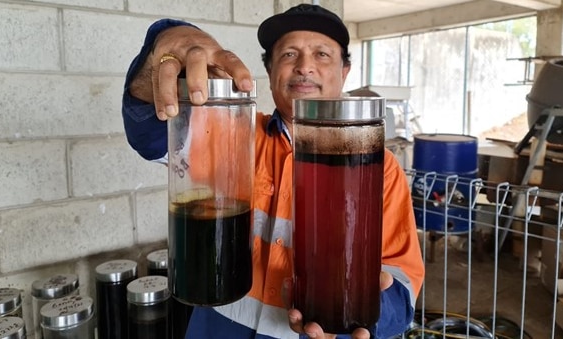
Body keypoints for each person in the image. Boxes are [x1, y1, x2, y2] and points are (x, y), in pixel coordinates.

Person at [122, 4, 424, 339]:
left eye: (322, 54)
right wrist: (160, 49)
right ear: (269, 69)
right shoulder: (231, 134)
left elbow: (402, 282)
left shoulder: (379, 168)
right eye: (289, 54)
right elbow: (150, 135)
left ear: (345, 70)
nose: (304, 67)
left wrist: (366, 314)